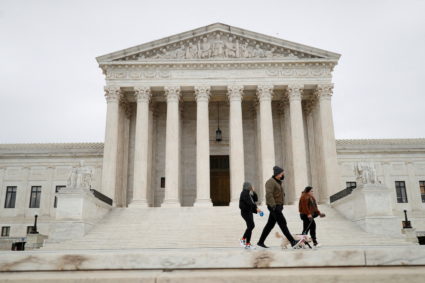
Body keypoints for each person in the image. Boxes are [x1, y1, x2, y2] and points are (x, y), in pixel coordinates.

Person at [257, 166, 300, 248]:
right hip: (274, 207)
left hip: (278, 206)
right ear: (277, 174)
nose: (283, 175)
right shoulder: (270, 182)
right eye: (282, 173)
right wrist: (273, 206)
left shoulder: (278, 182)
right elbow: (269, 194)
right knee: (282, 223)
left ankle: (260, 242)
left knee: (270, 225)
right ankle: (292, 241)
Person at [239, 182, 261, 249]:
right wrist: (256, 208)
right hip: (245, 212)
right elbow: (250, 202)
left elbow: (255, 199)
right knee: (251, 225)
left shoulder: (249, 193)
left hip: (249, 212)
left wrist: (253, 192)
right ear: (248, 186)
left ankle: (248, 243)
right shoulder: (244, 193)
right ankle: (243, 239)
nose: (251, 187)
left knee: (250, 227)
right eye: (251, 186)